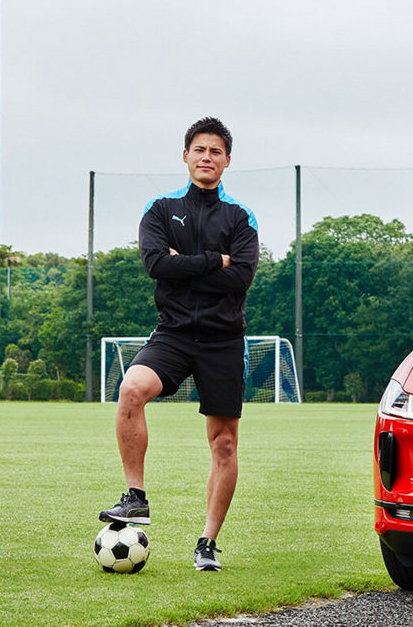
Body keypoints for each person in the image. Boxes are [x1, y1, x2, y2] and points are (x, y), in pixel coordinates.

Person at [99, 116, 258, 572]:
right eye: (199, 150)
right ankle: (135, 497)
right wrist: (213, 261)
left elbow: (240, 277)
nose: (207, 158)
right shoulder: (160, 208)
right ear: (185, 155)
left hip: (224, 340)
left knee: (224, 443)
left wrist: (184, 263)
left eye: (216, 152)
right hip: (171, 334)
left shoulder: (240, 217)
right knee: (131, 389)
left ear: (227, 161)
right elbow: (155, 266)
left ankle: (207, 543)